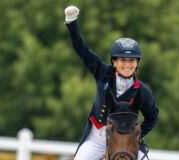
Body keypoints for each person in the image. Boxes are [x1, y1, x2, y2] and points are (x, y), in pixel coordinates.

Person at [64, 6, 159, 160]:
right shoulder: (103, 73)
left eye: (131, 60)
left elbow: (153, 117)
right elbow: (83, 51)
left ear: (137, 63)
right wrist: (72, 23)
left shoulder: (143, 91)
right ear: (114, 62)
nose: (127, 65)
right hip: (97, 140)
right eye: (123, 60)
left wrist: (137, 135)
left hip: (126, 142)